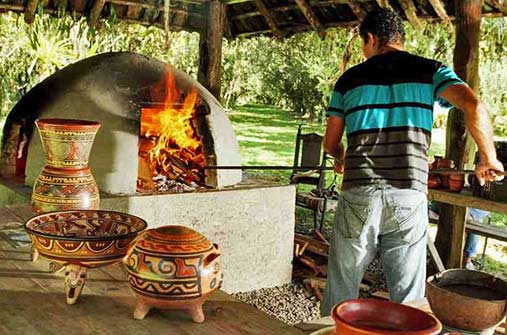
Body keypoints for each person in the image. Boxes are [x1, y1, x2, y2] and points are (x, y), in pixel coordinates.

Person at [321, 8, 504, 316]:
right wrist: (489, 158)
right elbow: (473, 104)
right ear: (400, 38)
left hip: (359, 195)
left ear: (370, 38)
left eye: (364, 44)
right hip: (408, 194)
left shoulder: (348, 81)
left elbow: (330, 143)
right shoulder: (430, 70)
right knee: (407, 297)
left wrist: (342, 158)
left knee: (342, 286)